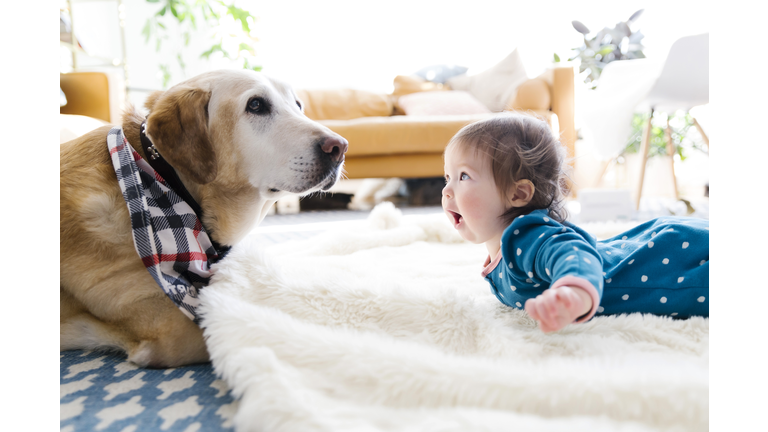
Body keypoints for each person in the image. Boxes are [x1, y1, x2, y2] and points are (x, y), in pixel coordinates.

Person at [441, 113, 708, 333]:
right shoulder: (506, 250)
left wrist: (572, 291)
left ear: (518, 194)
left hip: (679, 259)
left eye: (463, 176)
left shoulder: (528, 237)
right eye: (447, 177)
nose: (447, 191)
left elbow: (576, 256)